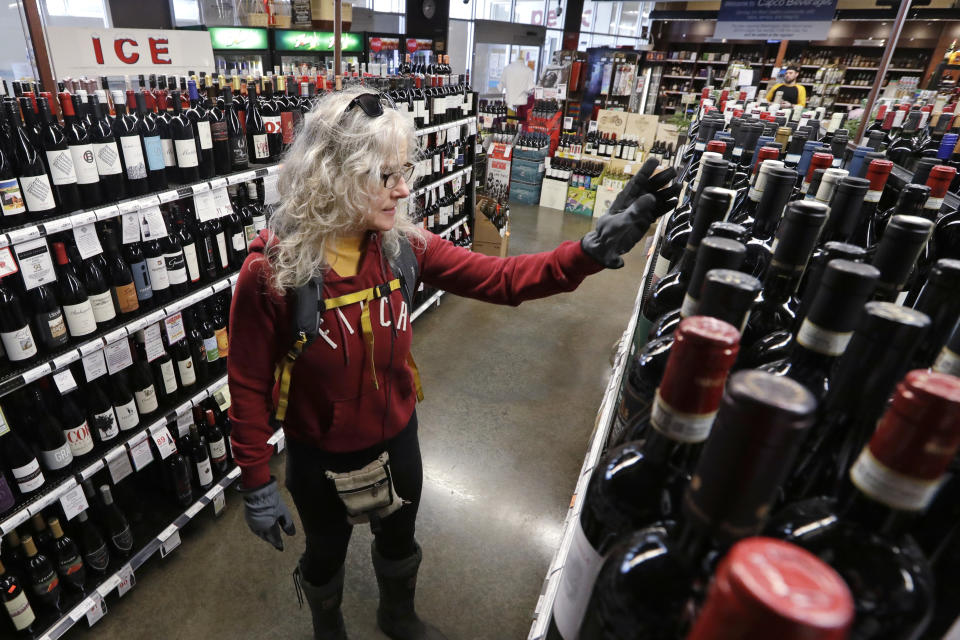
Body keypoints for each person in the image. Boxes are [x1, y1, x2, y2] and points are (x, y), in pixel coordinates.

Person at [227, 86, 679, 640]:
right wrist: (256, 481)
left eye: (405, 170)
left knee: (400, 536)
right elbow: (247, 384)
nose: (404, 187)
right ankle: (329, 626)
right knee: (325, 551)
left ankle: (397, 614)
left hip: (397, 436)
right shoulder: (273, 274)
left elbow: (502, 278)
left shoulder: (403, 247)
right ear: (336, 175)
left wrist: (586, 250)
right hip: (317, 455)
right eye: (385, 174)